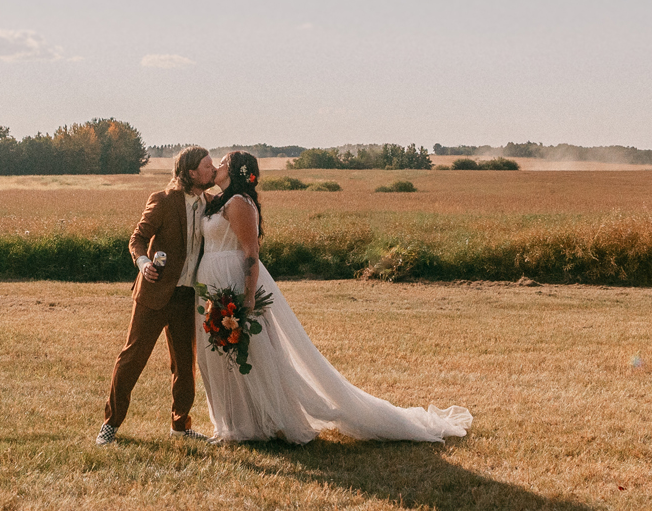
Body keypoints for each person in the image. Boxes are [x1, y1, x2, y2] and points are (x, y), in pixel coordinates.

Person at [193, 151, 470, 444]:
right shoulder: (218, 201)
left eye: (223, 162)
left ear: (236, 171)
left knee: (249, 352)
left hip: (234, 281)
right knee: (218, 353)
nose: (217, 166)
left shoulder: (239, 203)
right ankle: (234, 423)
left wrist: (248, 296)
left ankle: (256, 424)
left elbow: (251, 252)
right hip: (211, 284)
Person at [96, 147, 215, 444]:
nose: (212, 169)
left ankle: (180, 426)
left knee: (185, 366)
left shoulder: (212, 204)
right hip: (154, 294)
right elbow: (136, 238)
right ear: (190, 172)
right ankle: (110, 425)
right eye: (207, 165)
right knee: (132, 358)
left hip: (188, 297)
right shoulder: (162, 201)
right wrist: (143, 263)